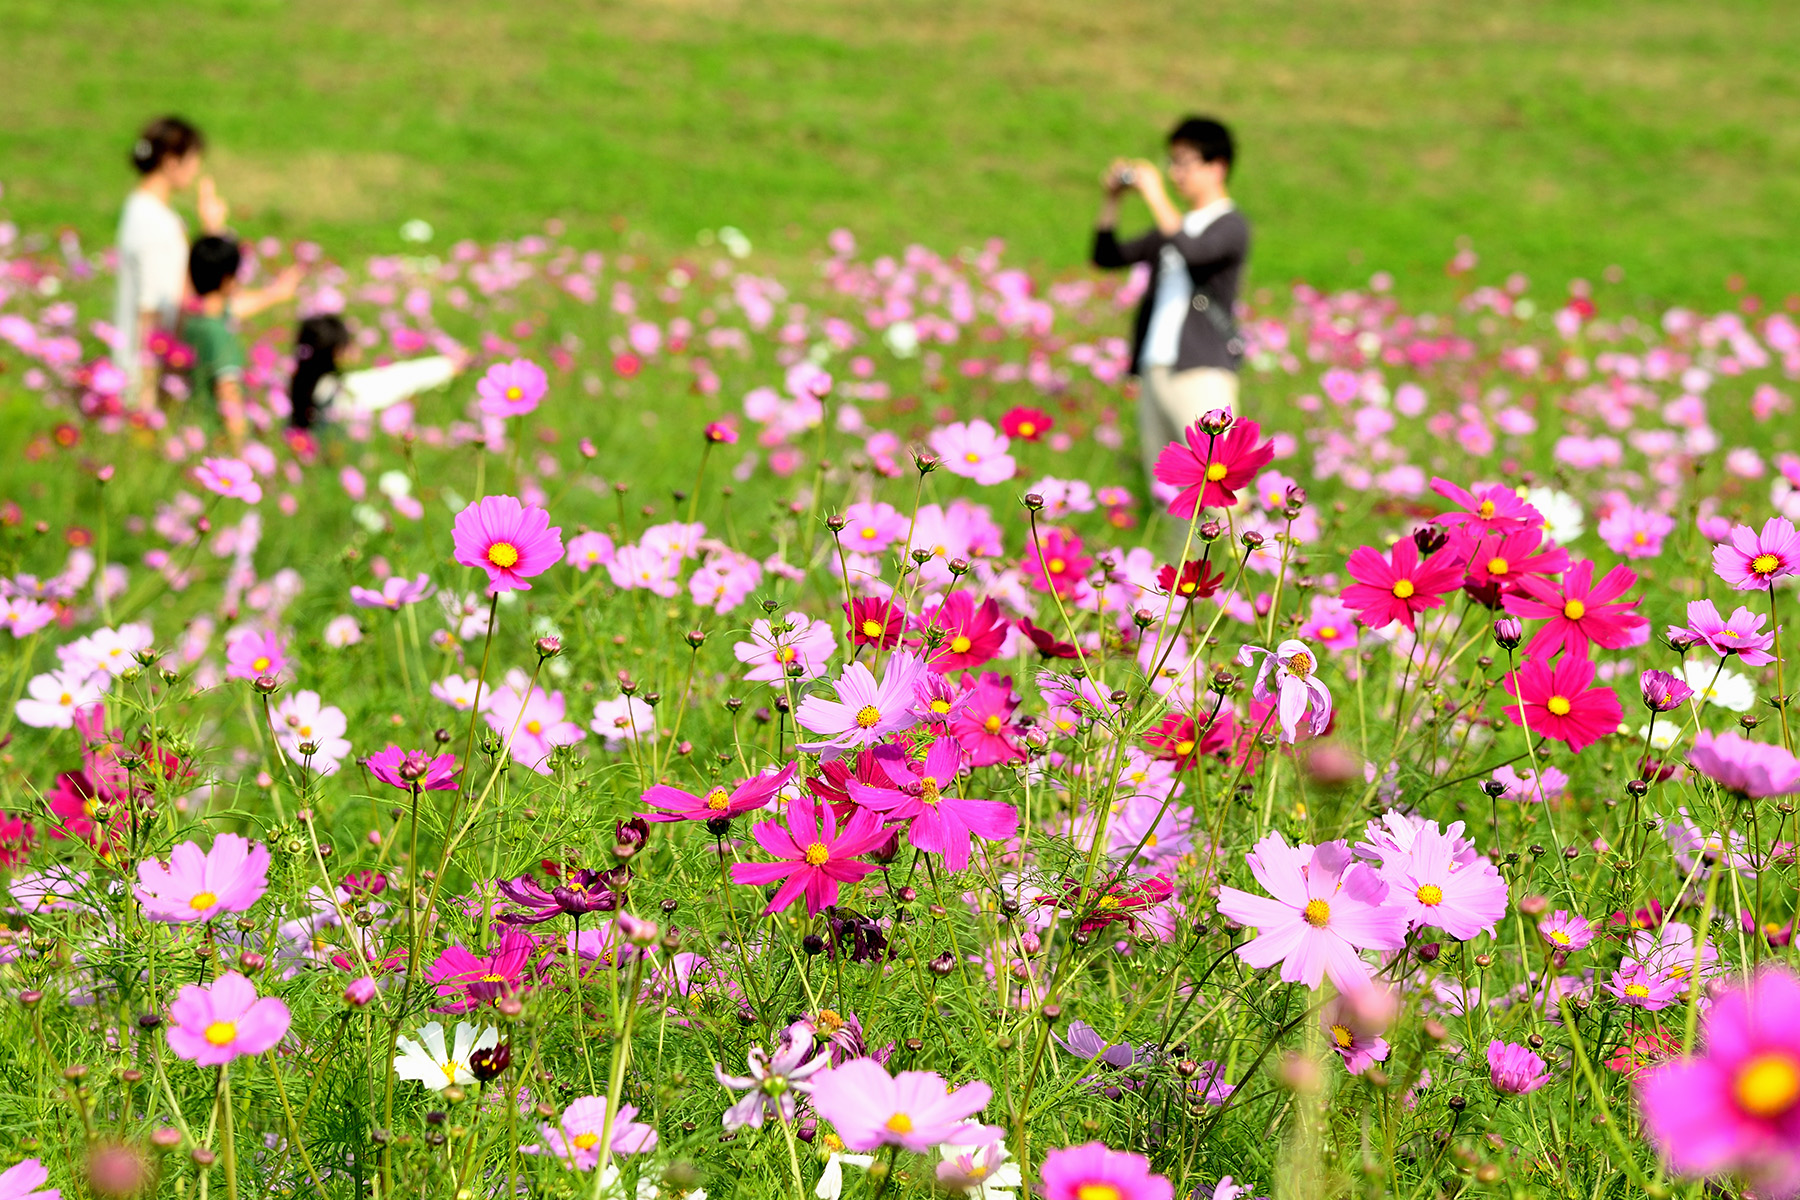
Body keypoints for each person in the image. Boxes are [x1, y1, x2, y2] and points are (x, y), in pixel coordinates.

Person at [1092, 116, 1250, 481]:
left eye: (1185, 162)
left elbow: (1195, 252)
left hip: (1201, 368)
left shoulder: (1230, 224)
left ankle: (1231, 542)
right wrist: (1112, 200)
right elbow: (1106, 256)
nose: (1176, 172)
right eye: (1172, 161)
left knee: (1220, 485)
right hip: (1154, 367)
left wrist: (1154, 193)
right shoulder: (1171, 227)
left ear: (1218, 167)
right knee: (1169, 492)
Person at [113, 116, 229, 412]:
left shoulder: (142, 210)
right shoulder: (153, 222)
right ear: (171, 161)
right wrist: (147, 395)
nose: (196, 169)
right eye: (193, 160)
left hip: (152, 365)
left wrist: (209, 231)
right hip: (150, 373)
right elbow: (151, 307)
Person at [183, 236, 303, 447]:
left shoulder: (191, 321)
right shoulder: (219, 334)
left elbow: (234, 307)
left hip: (190, 428)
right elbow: (228, 395)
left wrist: (277, 292)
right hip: (215, 438)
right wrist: (240, 453)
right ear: (228, 280)